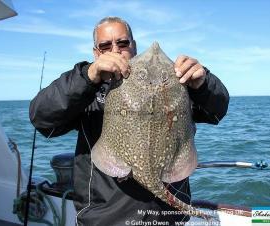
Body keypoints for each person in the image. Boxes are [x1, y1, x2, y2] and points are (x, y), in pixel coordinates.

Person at [29, 16, 229, 226]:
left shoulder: (176, 85)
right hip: (106, 220)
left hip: (168, 219)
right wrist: (87, 77)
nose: (115, 50)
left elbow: (217, 112)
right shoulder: (87, 92)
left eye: (122, 43)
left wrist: (203, 83)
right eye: (105, 46)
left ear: (134, 47)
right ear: (96, 53)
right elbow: (41, 119)